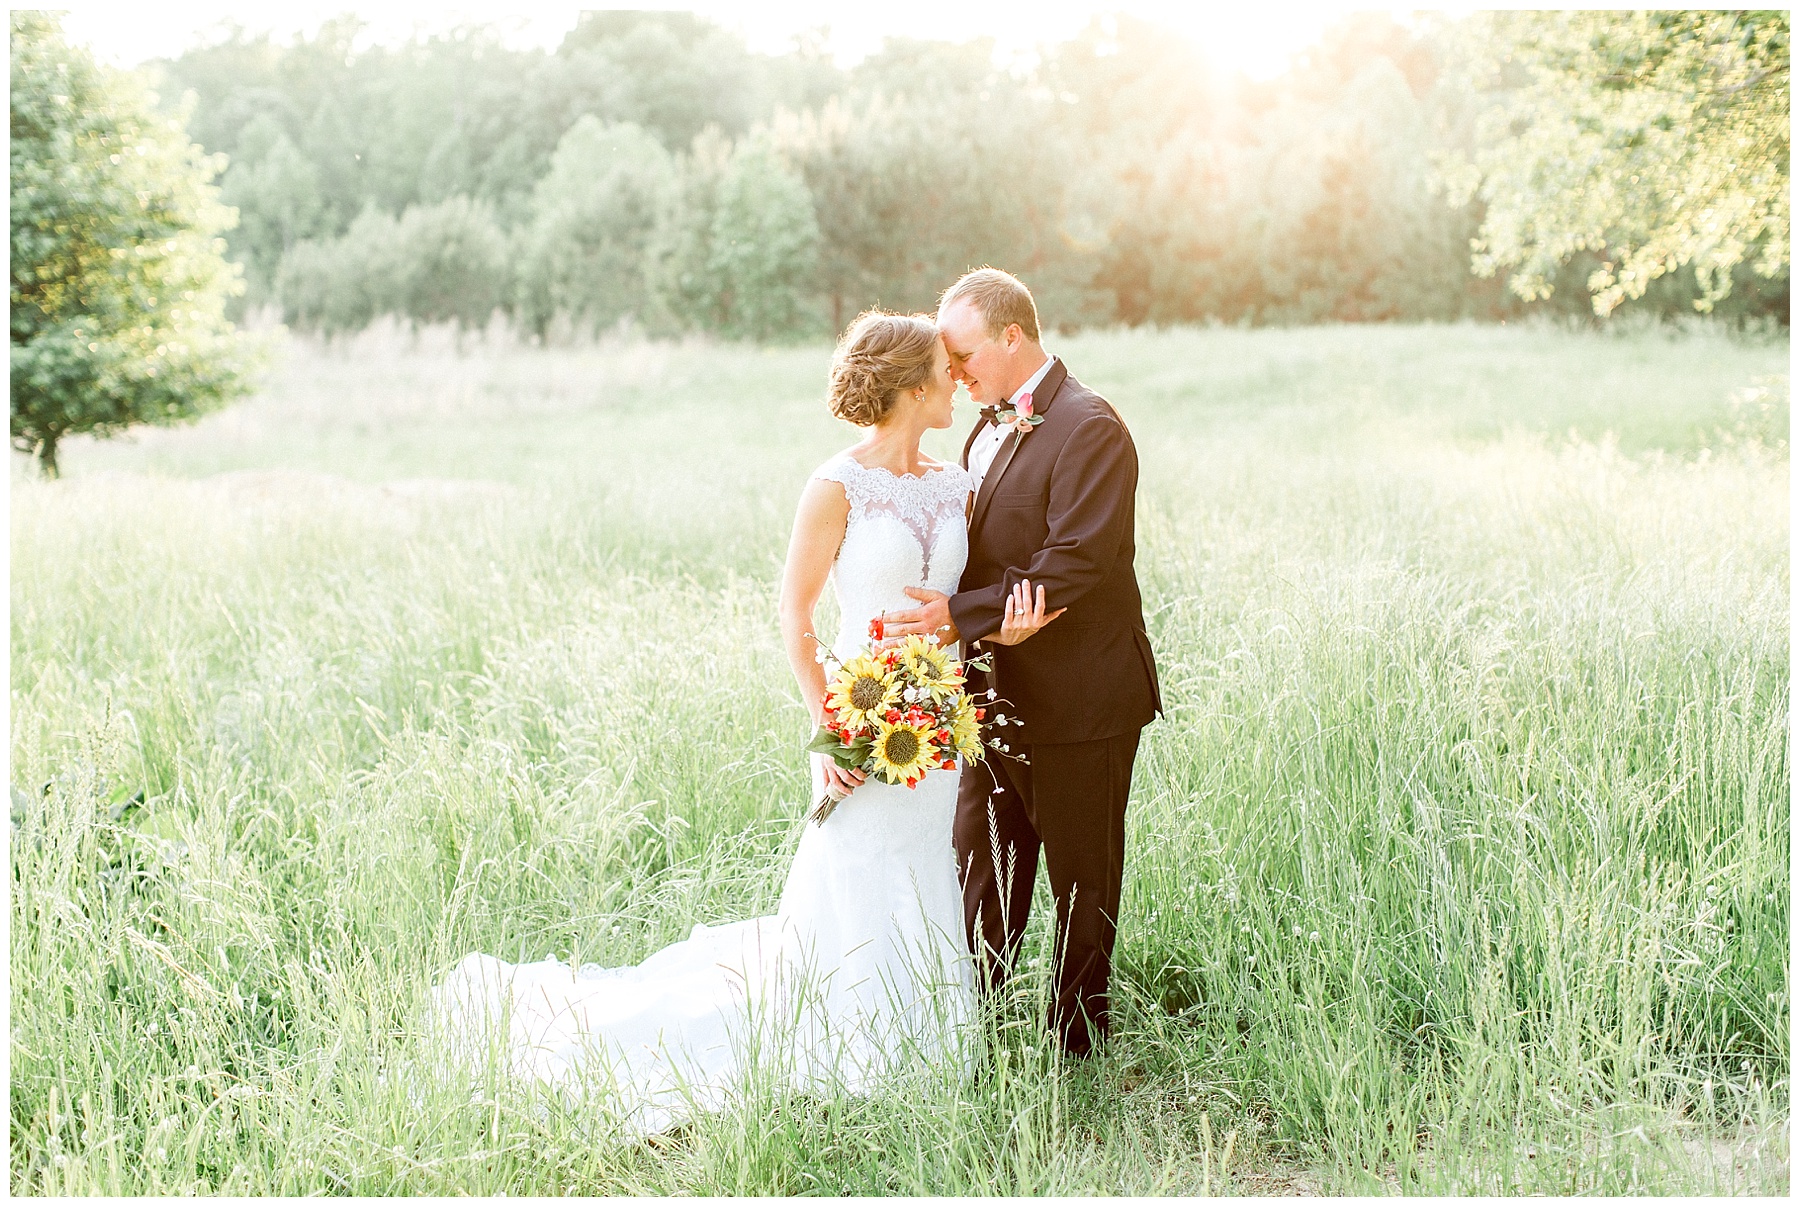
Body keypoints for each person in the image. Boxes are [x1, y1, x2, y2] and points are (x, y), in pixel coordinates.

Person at [425, 310, 1059, 1133]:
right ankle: (843, 1038)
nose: (959, 382)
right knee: (855, 868)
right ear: (912, 386)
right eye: (946, 370)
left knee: (924, 867)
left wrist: (1011, 627)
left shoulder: (958, 483)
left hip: (937, 720)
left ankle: (923, 1042)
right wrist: (830, 729)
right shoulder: (836, 484)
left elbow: (970, 601)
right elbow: (795, 615)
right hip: (857, 714)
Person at [883, 267, 1162, 1057]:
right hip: (991, 699)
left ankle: (1076, 1044)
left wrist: (955, 617)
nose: (953, 372)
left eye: (963, 355)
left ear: (1013, 336)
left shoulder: (1090, 426)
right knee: (982, 866)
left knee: (1082, 879)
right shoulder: (982, 429)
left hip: (1081, 698)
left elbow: (1074, 560)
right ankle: (977, 1031)